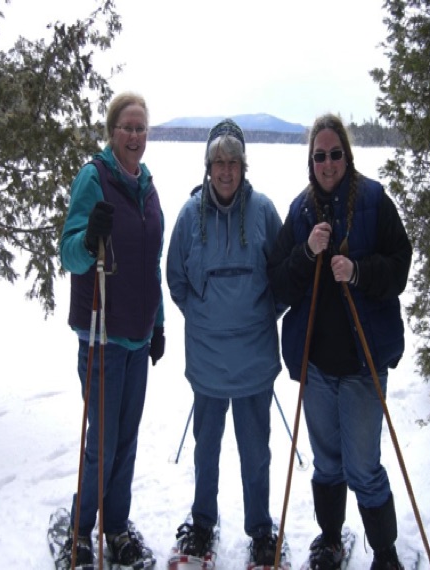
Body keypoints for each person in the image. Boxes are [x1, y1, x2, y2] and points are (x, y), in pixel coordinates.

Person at [267, 113, 412, 570]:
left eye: (335, 154)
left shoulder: (373, 200)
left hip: (362, 366)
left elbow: (400, 267)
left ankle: (384, 553)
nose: (327, 163)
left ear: (347, 155)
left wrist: (359, 271)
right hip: (317, 364)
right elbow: (279, 286)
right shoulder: (300, 211)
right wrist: (307, 251)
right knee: (327, 463)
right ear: (310, 161)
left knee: (364, 468)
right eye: (319, 156)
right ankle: (330, 539)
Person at [166, 119, 285, 566]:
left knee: (256, 453)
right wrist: (201, 317)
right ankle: (202, 525)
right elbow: (176, 278)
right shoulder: (187, 217)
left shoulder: (265, 212)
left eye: (234, 162)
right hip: (207, 363)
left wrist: (259, 318)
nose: (226, 170)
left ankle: (260, 531)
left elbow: (282, 275)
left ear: (244, 166)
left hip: (254, 360)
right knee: (207, 450)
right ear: (208, 166)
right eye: (219, 162)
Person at [58, 92, 165, 568]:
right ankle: (81, 529)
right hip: (100, 334)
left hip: (137, 337)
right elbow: (70, 255)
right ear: (112, 131)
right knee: (103, 441)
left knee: (127, 439)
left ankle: (116, 526)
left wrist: (158, 323)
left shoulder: (148, 186)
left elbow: (151, 264)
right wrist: (88, 235)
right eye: (128, 127)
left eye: (141, 128)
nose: (135, 136)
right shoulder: (93, 178)